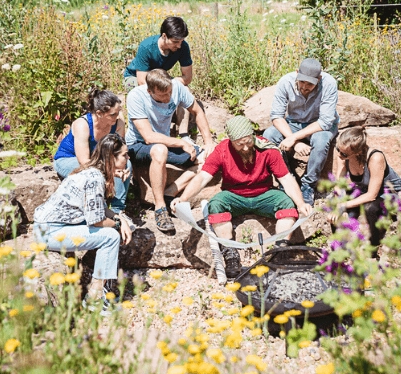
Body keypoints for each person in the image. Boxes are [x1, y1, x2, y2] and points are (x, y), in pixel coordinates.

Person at [171, 116, 313, 278]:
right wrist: (183, 199)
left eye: (248, 142)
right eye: (240, 144)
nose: (245, 148)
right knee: (216, 203)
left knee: (287, 203)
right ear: (231, 141)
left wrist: (300, 203)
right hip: (234, 195)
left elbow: (286, 179)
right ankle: (230, 253)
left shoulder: (267, 149)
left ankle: (279, 252)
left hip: (264, 194)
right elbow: (203, 177)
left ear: (253, 136)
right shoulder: (222, 150)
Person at [34, 134, 133, 316]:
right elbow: (97, 220)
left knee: (112, 231)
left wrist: (121, 218)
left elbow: (101, 208)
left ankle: (102, 293)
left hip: (51, 227)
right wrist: (119, 224)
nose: (128, 158)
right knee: (111, 236)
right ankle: (94, 300)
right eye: (125, 155)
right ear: (112, 157)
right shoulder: (94, 178)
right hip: (50, 231)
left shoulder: (93, 172)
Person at [126, 68, 215, 233]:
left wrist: (208, 142)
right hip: (137, 145)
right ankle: (160, 209)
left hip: (165, 143)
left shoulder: (177, 87)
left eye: (169, 93)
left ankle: (169, 193)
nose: (168, 98)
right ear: (150, 91)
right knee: (159, 150)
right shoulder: (136, 97)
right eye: (162, 95)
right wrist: (180, 143)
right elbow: (148, 137)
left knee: (210, 159)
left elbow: (197, 111)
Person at [263, 58, 339, 206]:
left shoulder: (329, 83)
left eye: (310, 84)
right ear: (297, 73)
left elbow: (325, 122)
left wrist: (293, 138)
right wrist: (295, 141)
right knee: (269, 136)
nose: (304, 87)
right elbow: (277, 116)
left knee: (321, 141)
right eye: (301, 81)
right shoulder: (285, 82)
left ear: (319, 79)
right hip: (294, 123)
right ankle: (287, 180)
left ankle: (308, 185)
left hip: (319, 126)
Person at [328, 126, 401, 252]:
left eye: (343, 153)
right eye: (338, 149)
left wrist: (343, 205)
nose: (339, 155)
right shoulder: (343, 155)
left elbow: (372, 195)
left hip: (390, 194)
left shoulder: (375, 157)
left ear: (358, 152)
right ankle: (340, 247)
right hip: (366, 190)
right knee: (334, 201)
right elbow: (340, 183)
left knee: (371, 208)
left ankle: (372, 251)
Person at [53, 89, 131, 217]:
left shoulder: (118, 122)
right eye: (112, 114)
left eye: (118, 112)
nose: (117, 116)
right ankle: (101, 210)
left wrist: (120, 168)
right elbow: (84, 163)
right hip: (69, 159)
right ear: (99, 113)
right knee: (93, 175)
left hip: (97, 159)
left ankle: (118, 210)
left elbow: (119, 151)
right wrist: (110, 171)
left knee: (126, 164)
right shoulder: (82, 125)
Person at [123, 16, 193, 137]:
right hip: (134, 77)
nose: (179, 46)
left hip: (159, 77)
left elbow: (187, 78)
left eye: (181, 41)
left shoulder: (183, 47)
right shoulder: (146, 46)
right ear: (164, 36)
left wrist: (172, 84)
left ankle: (183, 134)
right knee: (144, 94)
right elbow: (141, 81)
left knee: (184, 89)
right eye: (175, 42)